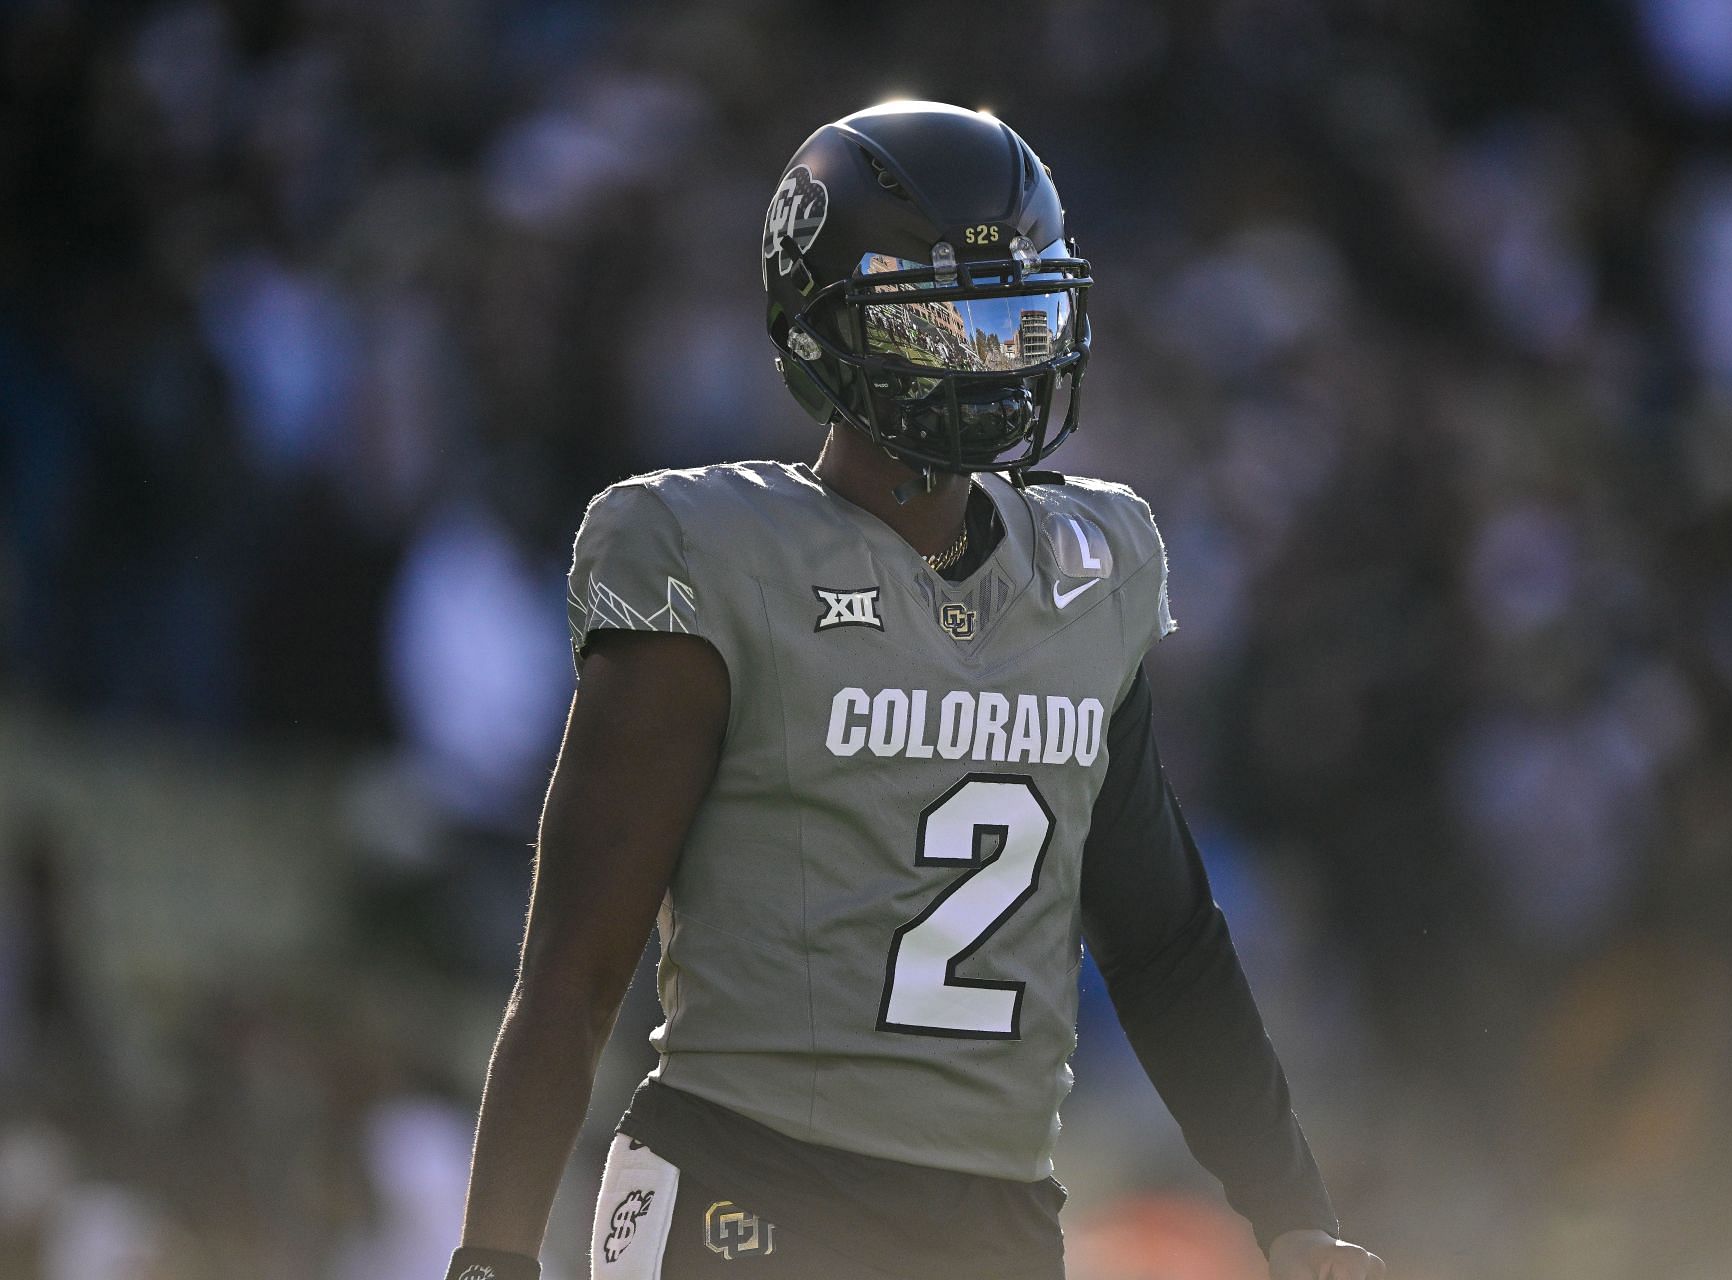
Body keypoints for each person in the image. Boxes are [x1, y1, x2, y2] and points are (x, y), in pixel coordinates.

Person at [446, 101, 1385, 1280]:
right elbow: (573, 974)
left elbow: (1164, 939)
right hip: (744, 1181)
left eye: (1021, 310)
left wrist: (1288, 1206)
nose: (995, 353)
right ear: (827, 327)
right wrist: (493, 1250)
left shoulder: (1087, 573)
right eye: (949, 316)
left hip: (992, 1222)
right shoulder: (713, 553)